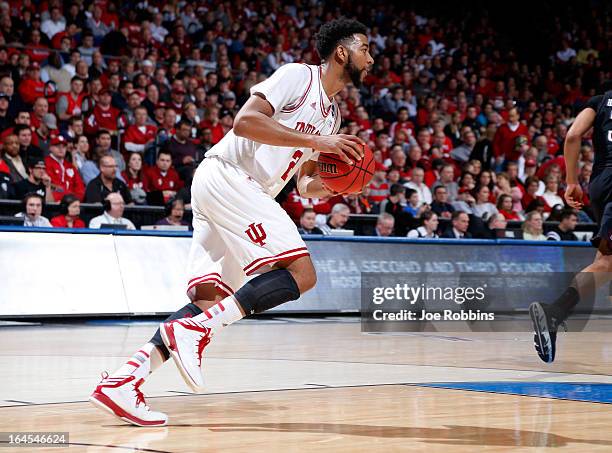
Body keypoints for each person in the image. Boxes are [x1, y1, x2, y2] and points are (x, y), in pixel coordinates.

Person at [89, 18, 373, 426]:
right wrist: (316, 141)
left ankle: (123, 382)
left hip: (233, 190)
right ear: (342, 52)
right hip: (232, 177)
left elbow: (304, 180)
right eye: (365, 48)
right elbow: (244, 121)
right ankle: (193, 333)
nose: (372, 58)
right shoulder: (298, 77)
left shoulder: (332, 118)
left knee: (208, 299)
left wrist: (332, 187)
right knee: (303, 274)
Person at [529, 88, 612, 364]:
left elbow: (574, 135)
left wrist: (572, 181)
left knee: (606, 261)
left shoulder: (601, 101)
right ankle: (554, 312)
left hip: (600, 184)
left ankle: (555, 313)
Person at [44, 135, 85, 201]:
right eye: (58, 146)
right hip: (54, 203)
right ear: (50, 148)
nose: (61, 149)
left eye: (63, 147)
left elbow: (80, 187)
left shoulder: (70, 166)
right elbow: (52, 186)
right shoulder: (45, 163)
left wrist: (76, 199)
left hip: (72, 202)